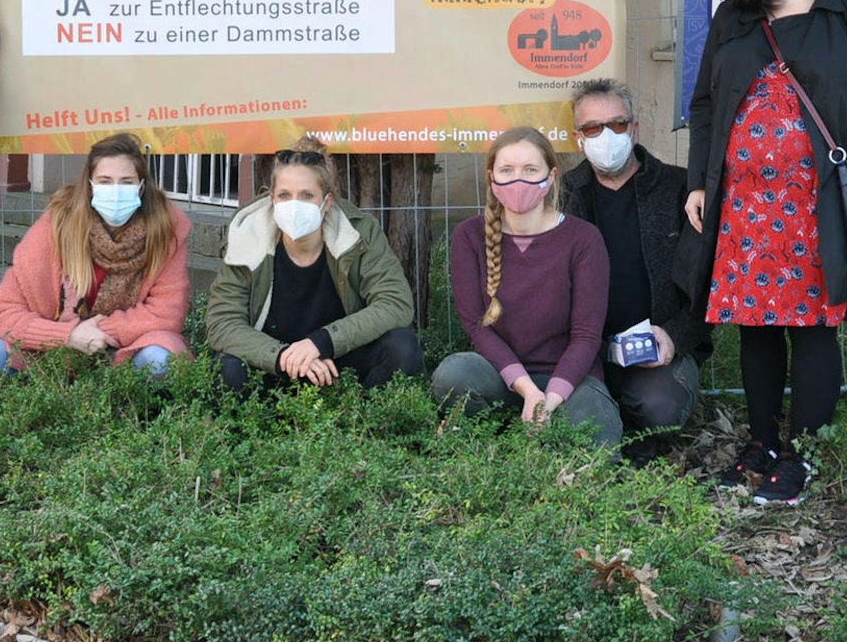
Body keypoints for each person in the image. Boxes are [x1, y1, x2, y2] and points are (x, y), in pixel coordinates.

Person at [678, 0, 847, 506]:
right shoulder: (734, 17)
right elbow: (704, 106)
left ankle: (802, 453)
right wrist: (699, 180)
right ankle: (761, 443)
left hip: (818, 200)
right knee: (755, 327)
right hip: (746, 202)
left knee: (811, 329)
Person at [433, 127, 620, 447]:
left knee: (595, 421)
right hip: (500, 377)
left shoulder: (584, 239)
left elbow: (586, 336)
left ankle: (555, 447)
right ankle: (501, 436)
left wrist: (548, 400)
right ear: (492, 177)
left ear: (551, 176)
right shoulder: (469, 236)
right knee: (454, 374)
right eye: (507, 170)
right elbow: (477, 328)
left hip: (569, 380)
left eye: (530, 170)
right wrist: (529, 391)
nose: (518, 180)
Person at [204, 138, 423, 392]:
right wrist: (281, 356)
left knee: (402, 348)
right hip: (272, 366)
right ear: (272, 199)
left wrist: (321, 342)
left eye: (306, 196)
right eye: (284, 195)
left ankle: (362, 422)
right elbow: (222, 323)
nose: (294, 206)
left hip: (339, 362)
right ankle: (266, 422)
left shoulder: (358, 233)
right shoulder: (249, 235)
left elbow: (396, 303)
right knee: (227, 369)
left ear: (326, 202)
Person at [561, 80, 704, 464]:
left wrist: (675, 336)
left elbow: (707, 283)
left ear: (635, 128)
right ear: (578, 138)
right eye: (592, 128)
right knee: (575, 411)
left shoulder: (680, 188)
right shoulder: (563, 195)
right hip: (583, 351)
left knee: (657, 406)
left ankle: (633, 431)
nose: (606, 136)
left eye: (617, 124)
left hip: (657, 351)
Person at [0, 132, 191, 375]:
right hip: (50, 351)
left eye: (126, 182)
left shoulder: (166, 230)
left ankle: (136, 410)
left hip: (125, 349)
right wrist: (68, 335)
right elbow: (2, 313)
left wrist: (100, 332)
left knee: (159, 360)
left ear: (141, 187)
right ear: (90, 186)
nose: (115, 191)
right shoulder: (57, 224)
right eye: (105, 181)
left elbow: (166, 314)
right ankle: (32, 406)